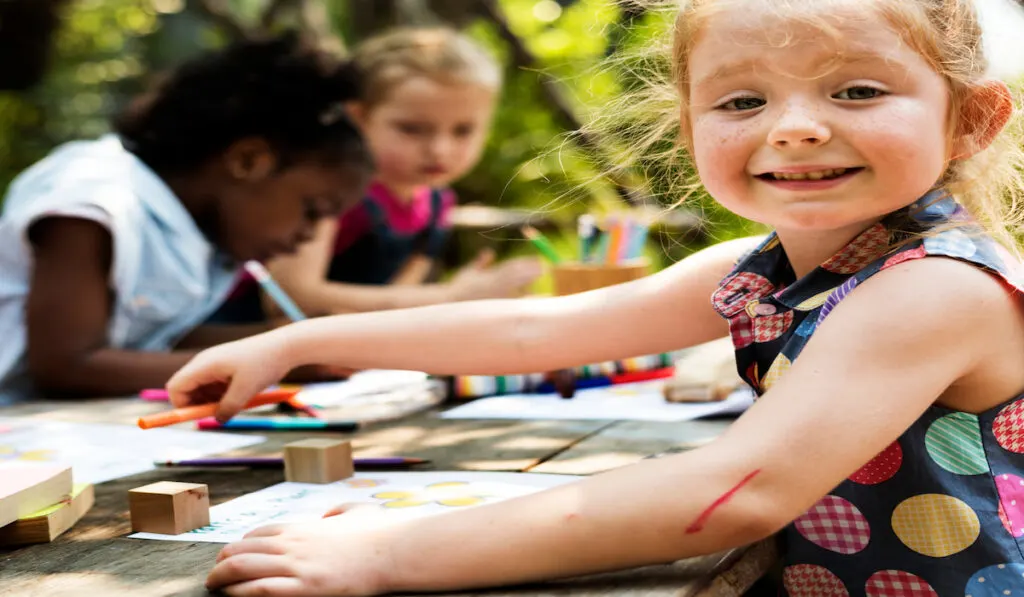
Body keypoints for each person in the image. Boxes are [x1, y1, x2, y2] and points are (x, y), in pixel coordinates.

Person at [168, 0, 1024, 595]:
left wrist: (386, 554)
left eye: (858, 90)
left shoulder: (937, 287)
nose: (793, 125)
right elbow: (539, 325)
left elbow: (736, 491)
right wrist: (299, 341)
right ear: (691, 130)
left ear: (972, 120)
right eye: (741, 100)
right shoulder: (765, 266)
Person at [0, 33, 372, 402]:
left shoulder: (198, 232)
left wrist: (292, 339)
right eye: (311, 211)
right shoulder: (95, 201)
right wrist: (280, 358)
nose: (309, 236)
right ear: (248, 161)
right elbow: (68, 366)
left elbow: (154, 341)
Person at [210, 27, 541, 322]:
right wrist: (448, 298)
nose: (440, 150)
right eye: (412, 129)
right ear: (359, 117)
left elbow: (396, 305)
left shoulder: (436, 204)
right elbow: (290, 297)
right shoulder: (331, 193)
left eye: (463, 131)